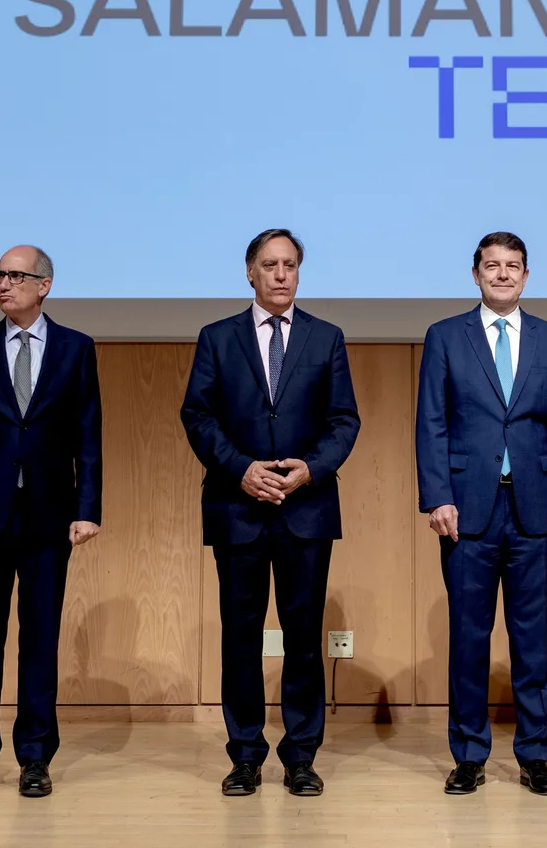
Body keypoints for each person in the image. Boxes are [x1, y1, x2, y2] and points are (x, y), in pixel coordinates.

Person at [181, 229, 360, 798]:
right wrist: (241, 469)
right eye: (270, 265)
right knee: (241, 637)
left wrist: (312, 468)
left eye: (290, 265)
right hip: (238, 508)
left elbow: (344, 421)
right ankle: (245, 755)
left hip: (306, 509)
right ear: (250, 273)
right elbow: (198, 416)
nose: (281, 275)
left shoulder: (326, 337)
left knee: (304, 638)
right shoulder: (217, 337)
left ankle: (301, 756)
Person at [416, 232, 547, 797]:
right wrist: (438, 496)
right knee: (469, 639)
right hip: (467, 511)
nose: (503, 274)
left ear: (526, 276)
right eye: (493, 265)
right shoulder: (445, 336)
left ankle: (535, 755)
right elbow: (431, 422)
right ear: (476, 274)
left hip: (536, 509)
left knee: (533, 642)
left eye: (513, 266)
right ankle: (468, 756)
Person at [0, 245, 103, 801]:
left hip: (50, 516)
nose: (3, 285)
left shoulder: (76, 348)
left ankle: (35, 756)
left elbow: (88, 436)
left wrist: (87, 509)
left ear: (44, 285)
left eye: (15, 276)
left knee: (40, 639)